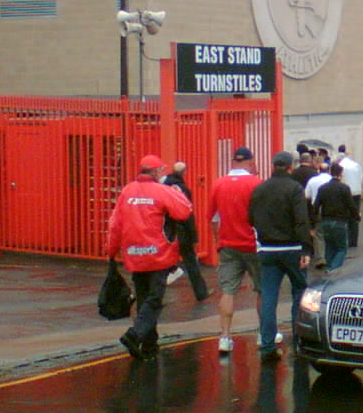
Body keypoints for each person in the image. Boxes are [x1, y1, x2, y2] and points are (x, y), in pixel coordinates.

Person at [106, 154, 192, 360]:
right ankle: (135, 335)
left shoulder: (127, 191)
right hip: (158, 253)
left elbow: (115, 224)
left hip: (134, 254)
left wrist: (111, 250)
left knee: (144, 298)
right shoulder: (162, 191)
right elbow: (184, 212)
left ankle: (149, 346)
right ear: (155, 172)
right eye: (160, 171)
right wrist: (176, 192)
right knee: (154, 299)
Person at [248, 151, 313, 361]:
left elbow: (250, 218)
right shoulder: (295, 189)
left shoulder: (259, 189)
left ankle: (267, 345)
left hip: (267, 250)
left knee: (268, 296)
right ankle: (298, 340)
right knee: (299, 292)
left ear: (273, 166)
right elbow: (301, 221)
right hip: (293, 249)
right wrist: (306, 248)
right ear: (291, 167)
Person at [206, 147, 270, 356]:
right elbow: (263, 215)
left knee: (228, 291)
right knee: (262, 289)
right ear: (251, 162)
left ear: (233, 161)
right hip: (253, 245)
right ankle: (263, 333)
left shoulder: (219, 183)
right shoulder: (257, 184)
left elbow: (213, 217)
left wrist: (218, 239)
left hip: (228, 244)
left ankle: (225, 336)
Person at [163, 161, 209, 302]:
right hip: (182, 229)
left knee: (161, 260)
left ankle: (160, 291)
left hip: (166, 229)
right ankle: (201, 292)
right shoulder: (183, 189)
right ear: (184, 172)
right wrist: (194, 236)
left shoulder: (163, 187)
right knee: (190, 261)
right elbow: (187, 213)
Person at [311, 162, 357, 272]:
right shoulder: (344, 188)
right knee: (341, 249)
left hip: (325, 221)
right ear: (341, 174)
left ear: (331, 172)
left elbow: (316, 206)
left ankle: (328, 267)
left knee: (329, 247)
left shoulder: (323, 188)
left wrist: (312, 223)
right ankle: (333, 269)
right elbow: (351, 205)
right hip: (340, 221)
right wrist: (356, 216)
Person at [336, 145, 363, 246]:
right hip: (356, 192)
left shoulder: (341, 166)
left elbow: (341, 180)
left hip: (345, 193)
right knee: (355, 216)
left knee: (345, 217)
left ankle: (346, 239)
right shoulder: (356, 165)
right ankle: (354, 241)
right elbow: (360, 179)